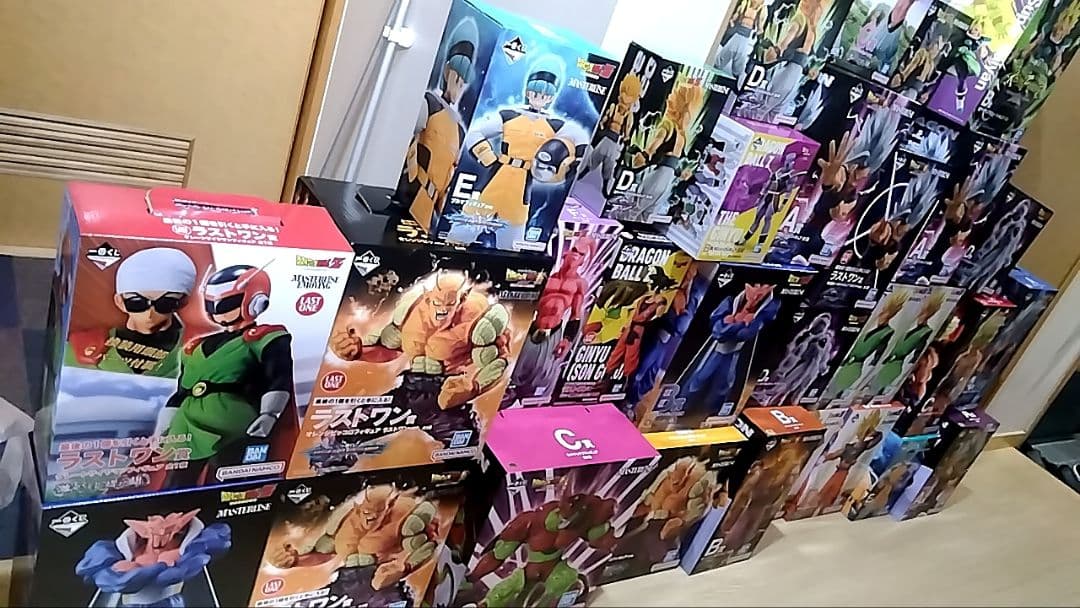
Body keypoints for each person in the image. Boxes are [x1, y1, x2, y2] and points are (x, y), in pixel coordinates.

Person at [66, 247, 196, 377]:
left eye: (165, 303)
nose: (149, 314)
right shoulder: (81, 349)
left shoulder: (197, 349)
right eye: (136, 303)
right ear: (120, 302)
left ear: (183, 302)